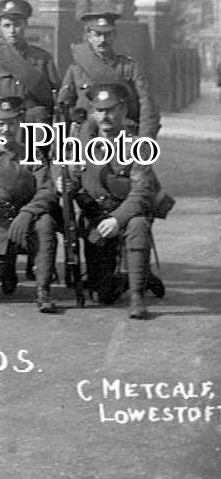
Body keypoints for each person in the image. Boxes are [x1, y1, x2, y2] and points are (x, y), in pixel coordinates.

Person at [66, 83, 160, 319]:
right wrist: (64, 182)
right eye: (99, 110)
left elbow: (142, 193)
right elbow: (74, 181)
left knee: (138, 224)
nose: (104, 116)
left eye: (110, 110)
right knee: (103, 295)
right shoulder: (81, 143)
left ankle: (137, 295)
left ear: (123, 110)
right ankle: (134, 276)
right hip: (96, 218)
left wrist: (117, 220)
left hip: (125, 214)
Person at [0, 97, 59, 312]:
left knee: (45, 224)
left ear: (19, 124)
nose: (6, 129)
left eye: (12, 123)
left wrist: (27, 214)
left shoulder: (29, 152)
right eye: (0, 123)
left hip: (25, 225)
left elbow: (47, 191)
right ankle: (5, 266)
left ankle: (43, 291)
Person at [58, 12, 160, 138]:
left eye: (107, 34)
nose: (103, 40)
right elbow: (64, 107)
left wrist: (145, 138)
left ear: (114, 35)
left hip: (122, 131)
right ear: (89, 36)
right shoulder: (76, 69)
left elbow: (147, 104)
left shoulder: (129, 67)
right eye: (98, 35)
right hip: (86, 133)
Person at [0, 0, 59, 124]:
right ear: (0, 27)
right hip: (3, 124)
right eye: (7, 26)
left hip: (34, 125)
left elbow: (54, 99)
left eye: (17, 25)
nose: (12, 31)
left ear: (25, 25)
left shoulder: (42, 58)